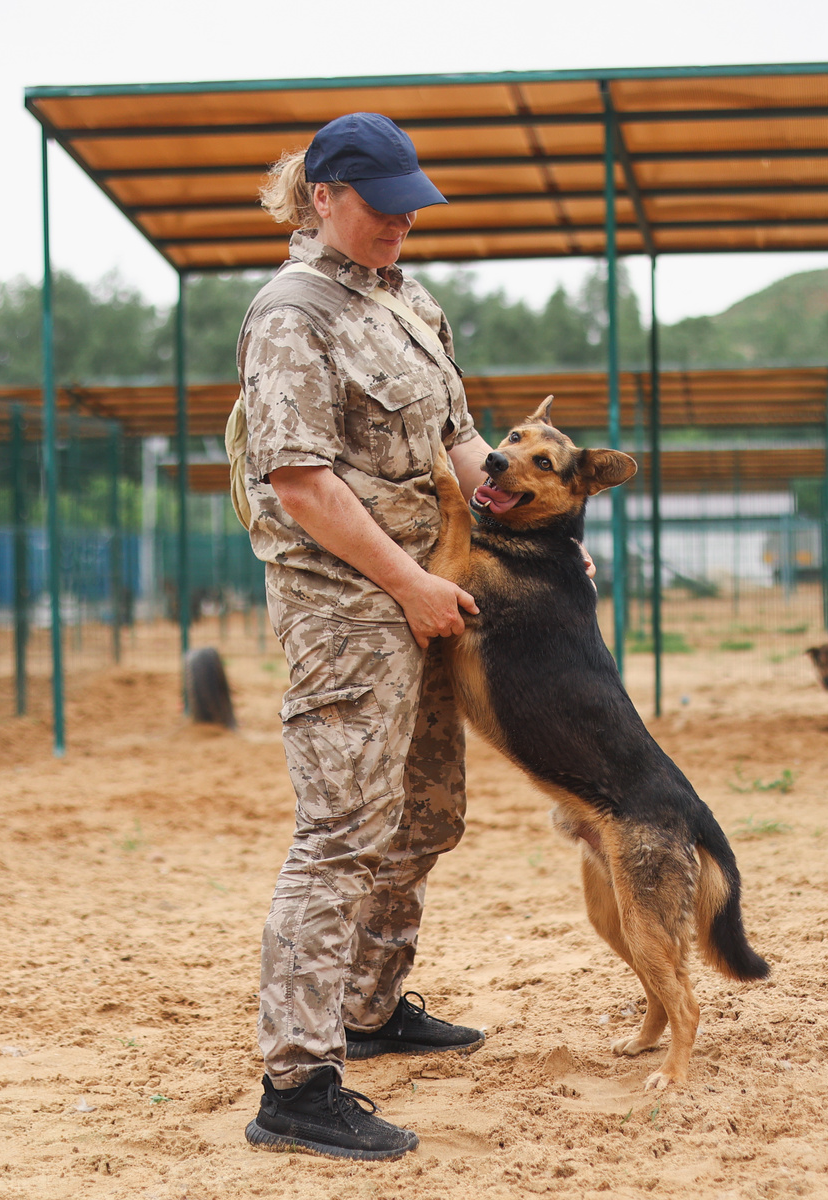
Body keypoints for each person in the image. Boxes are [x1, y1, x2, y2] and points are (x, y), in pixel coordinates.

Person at [237, 112, 496, 1162]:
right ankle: (296, 1085)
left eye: (407, 202)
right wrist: (408, 586)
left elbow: (455, 438)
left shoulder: (406, 300)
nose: (400, 219)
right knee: (340, 836)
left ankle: (369, 1008)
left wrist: (524, 517)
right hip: (346, 605)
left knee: (425, 815)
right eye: (380, 202)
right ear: (321, 198)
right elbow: (300, 483)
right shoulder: (289, 314)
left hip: (425, 587)